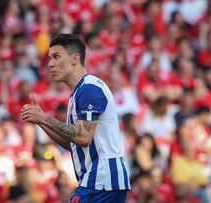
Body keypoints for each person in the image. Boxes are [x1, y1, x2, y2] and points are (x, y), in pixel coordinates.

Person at [21, 33, 130, 202]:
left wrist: (43, 118)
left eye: (56, 57)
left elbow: (82, 136)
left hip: (101, 180)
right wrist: (40, 121)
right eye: (50, 58)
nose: (50, 64)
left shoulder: (89, 88)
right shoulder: (77, 93)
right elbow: (73, 143)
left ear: (74, 58)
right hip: (100, 180)